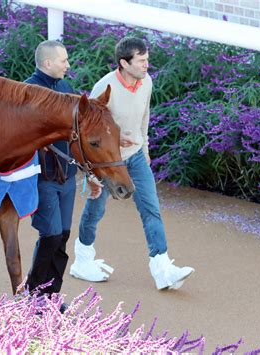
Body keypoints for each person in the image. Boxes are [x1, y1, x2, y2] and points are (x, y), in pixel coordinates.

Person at [69, 37, 195, 290]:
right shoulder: (104, 87)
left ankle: (162, 269)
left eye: (147, 60)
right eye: (141, 61)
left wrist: (144, 147)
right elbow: (88, 131)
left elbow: (144, 117)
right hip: (107, 162)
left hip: (136, 157)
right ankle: (82, 261)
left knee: (151, 209)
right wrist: (92, 171)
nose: (147, 65)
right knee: (96, 211)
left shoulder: (146, 81)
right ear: (124, 63)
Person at [24, 40, 77, 299]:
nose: (68, 65)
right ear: (47, 63)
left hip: (68, 177)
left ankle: (52, 296)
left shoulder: (66, 87)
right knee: (51, 234)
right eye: (63, 60)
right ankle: (34, 294)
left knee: (64, 235)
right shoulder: (28, 92)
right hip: (44, 178)